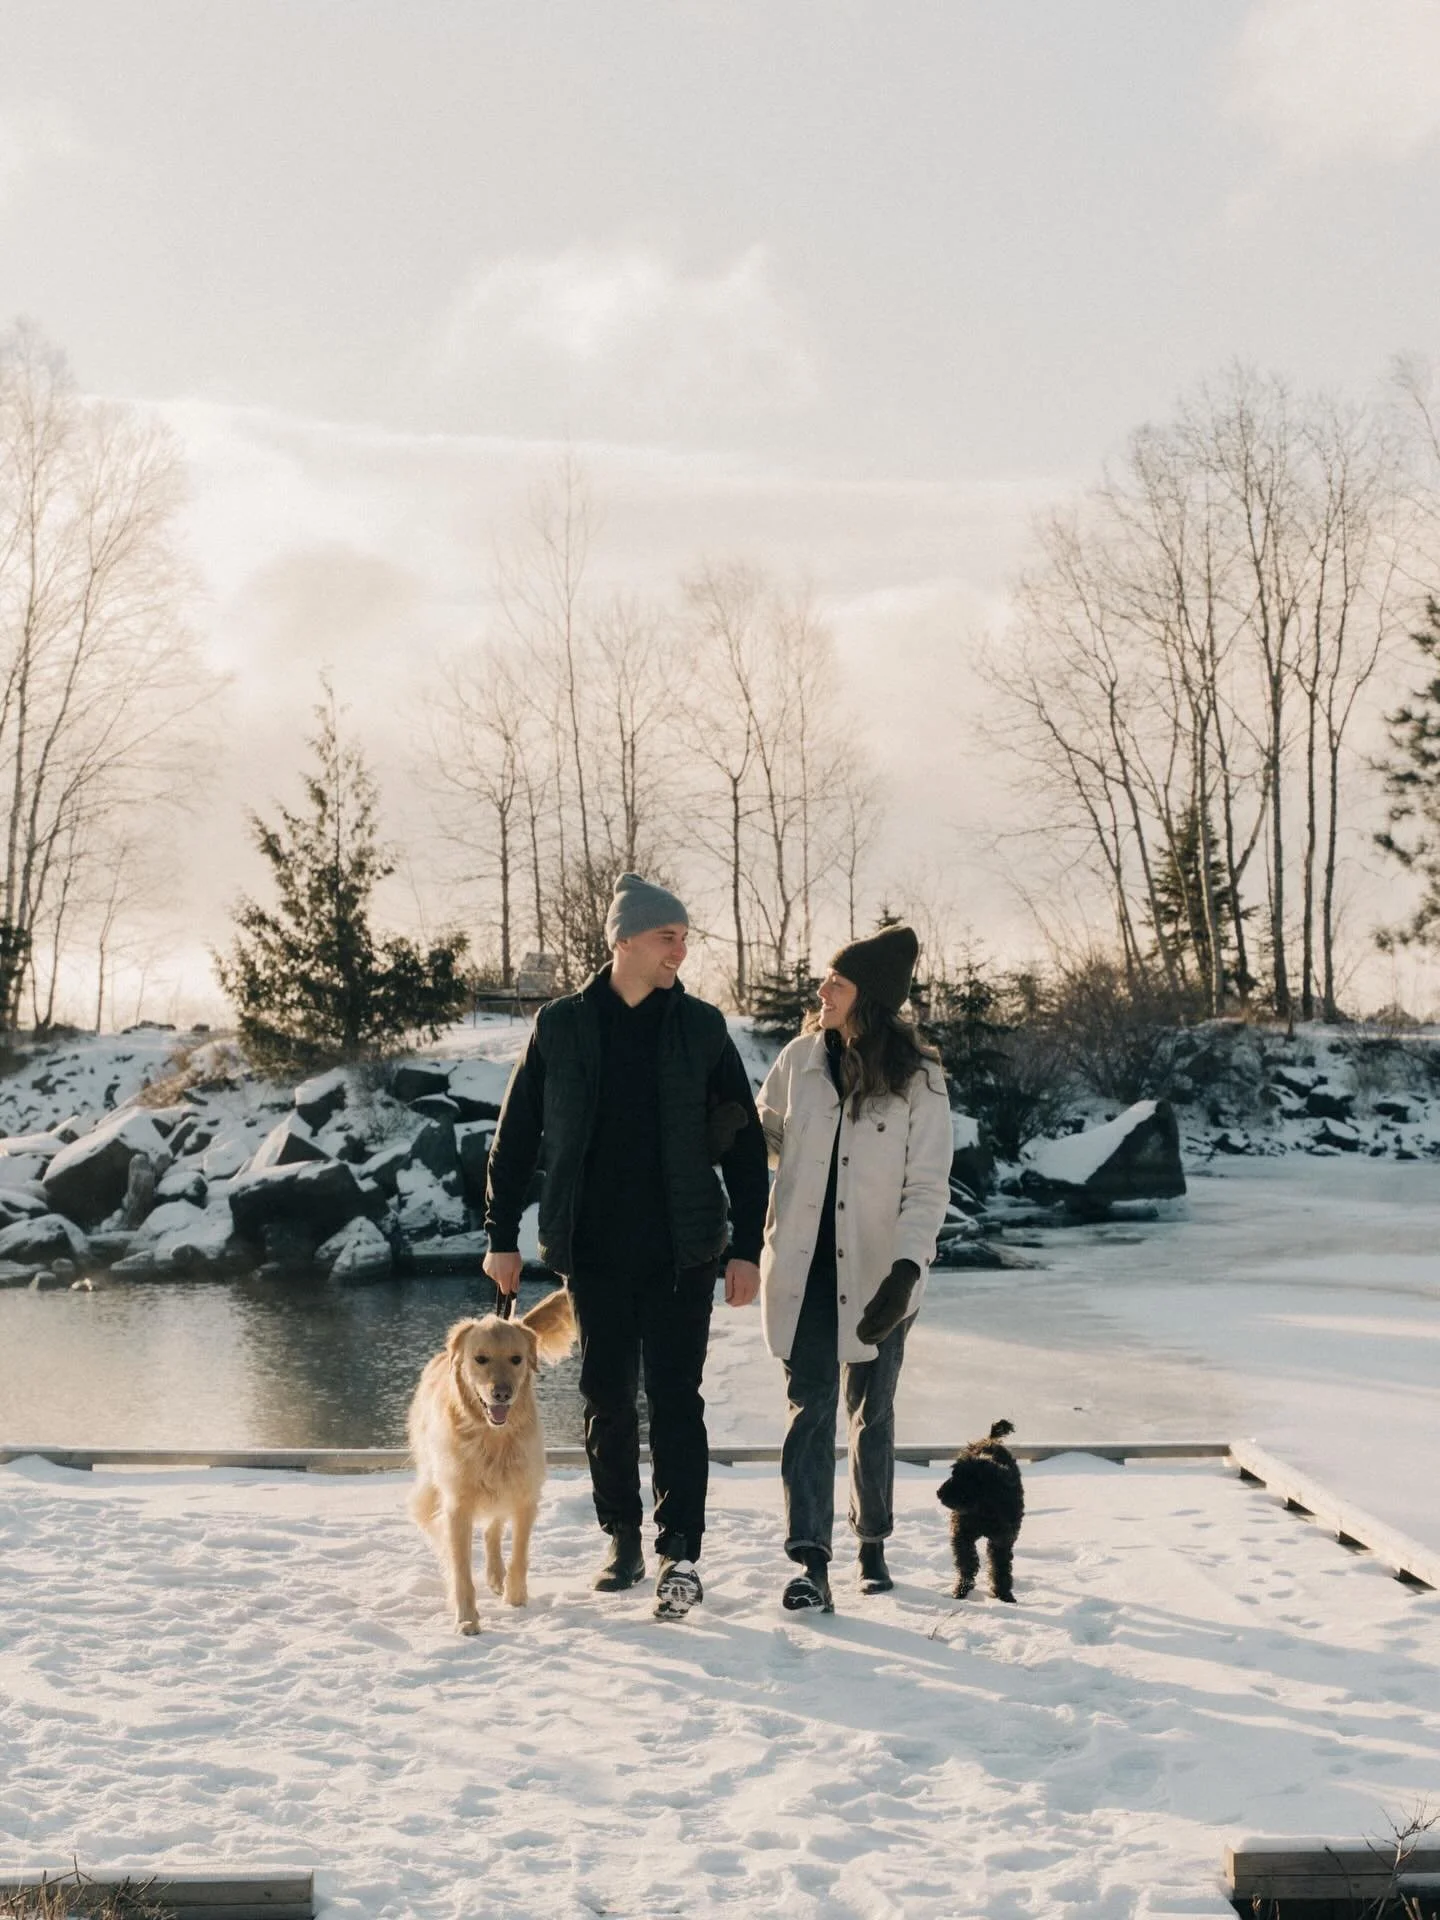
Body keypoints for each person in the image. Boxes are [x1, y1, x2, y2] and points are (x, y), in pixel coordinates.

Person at [483, 873, 768, 1621]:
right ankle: (622, 1538)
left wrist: (746, 1247)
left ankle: (681, 1547)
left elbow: (742, 1143)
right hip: (593, 1249)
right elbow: (514, 1139)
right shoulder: (562, 1026)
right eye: (667, 937)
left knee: (677, 1397)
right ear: (625, 942)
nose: (681, 949)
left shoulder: (702, 1028)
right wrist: (499, 1238)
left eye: (683, 938)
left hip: (684, 1248)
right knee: (606, 1396)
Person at [756, 924, 952, 1612]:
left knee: (872, 1411)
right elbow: (771, 1138)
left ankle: (871, 1538)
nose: (821, 991)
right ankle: (810, 1560)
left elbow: (927, 1189)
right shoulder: (799, 1060)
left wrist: (906, 1271)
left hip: (880, 1275)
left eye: (836, 982)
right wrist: (743, 1133)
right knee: (807, 1410)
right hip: (804, 1270)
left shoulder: (920, 1082)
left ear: (867, 997)